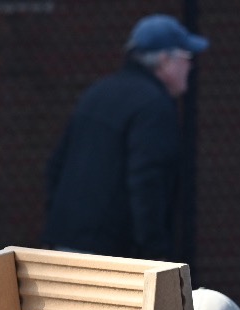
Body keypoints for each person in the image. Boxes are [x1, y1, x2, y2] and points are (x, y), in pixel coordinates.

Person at [41, 14, 207, 261]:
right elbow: (147, 185)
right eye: (187, 57)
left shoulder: (97, 93)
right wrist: (156, 254)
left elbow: (55, 168)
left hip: (64, 244)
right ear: (164, 60)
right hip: (110, 256)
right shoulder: (155, 107)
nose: (191, 66)